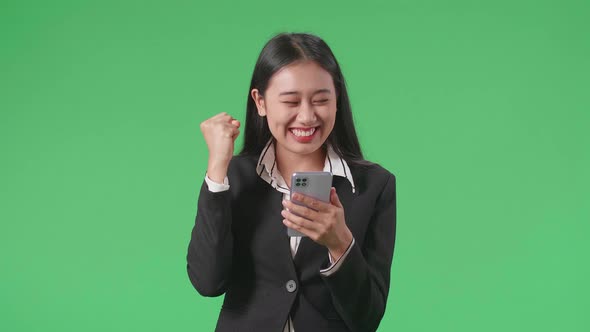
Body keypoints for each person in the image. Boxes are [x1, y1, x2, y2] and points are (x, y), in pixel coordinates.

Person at [186, 32, 397, 332]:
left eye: (321, 100)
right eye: (291, 101)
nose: (307, 116)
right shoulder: (235, 177)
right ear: (260, 102)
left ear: (337, 100)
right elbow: (207, 281)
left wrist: (340, 244)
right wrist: (218, 168)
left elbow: (367, 319)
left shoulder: (374, 186)